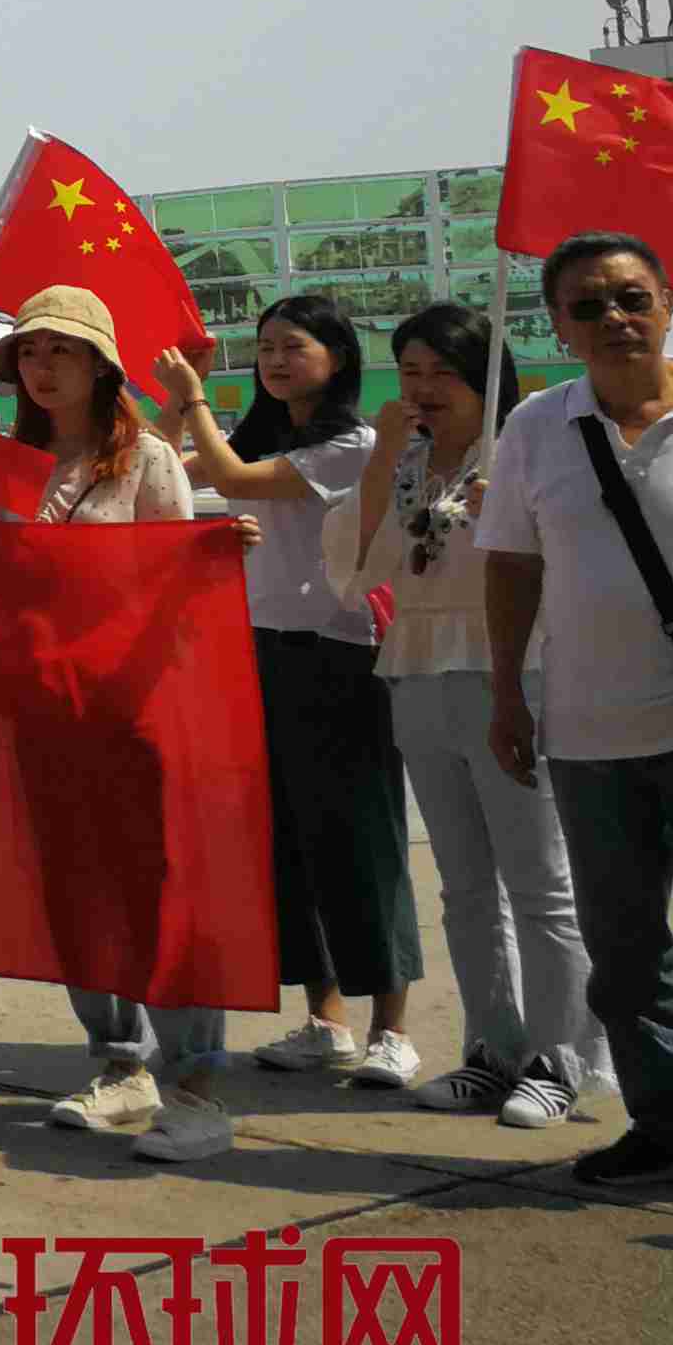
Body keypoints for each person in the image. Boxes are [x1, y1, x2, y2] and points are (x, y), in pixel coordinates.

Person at [0, 285, 216, 1157]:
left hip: (130, 709)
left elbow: (175, 586)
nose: (42, 370)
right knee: (76, 890)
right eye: (29, 355)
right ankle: (119, 1064)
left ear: (101, 366)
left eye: (61, 353)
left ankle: (196, 1076)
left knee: (154, 887)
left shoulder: (150, 461)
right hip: (37, 713)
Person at [480, 233, 673, 1194]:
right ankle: (671, 1127)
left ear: (665, 303)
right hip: (588, 737)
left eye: (630, 298)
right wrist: (506, 694)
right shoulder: (538, 427)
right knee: (622, 953)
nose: (613, 318)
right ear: (559, 328)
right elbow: (512, 564)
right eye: (587, 306)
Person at [355, 302, 604, 1125]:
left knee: (539, 880)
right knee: (464, 885)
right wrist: (383, 458)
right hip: (418, 672)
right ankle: (492, 1049)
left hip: (513, 673)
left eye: (444, 373)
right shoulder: (408, 460)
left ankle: (559, 1059)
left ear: (484, 377)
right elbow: (365, 572)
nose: (424, 390)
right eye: (411, 371)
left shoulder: (525, 451)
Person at [156, 297, 412, 1084]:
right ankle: (323, 1017)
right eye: (264, 347)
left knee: (361, 841)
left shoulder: (355, 446)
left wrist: (195, 400)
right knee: (289, 845)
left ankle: (391, 1030)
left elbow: (229, 477)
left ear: (337, 356)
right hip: (256, 650)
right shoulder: (267, 436)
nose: (273, 360)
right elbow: (162, 469)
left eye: (292, 347)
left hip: (339, 655)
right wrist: (176, 404)